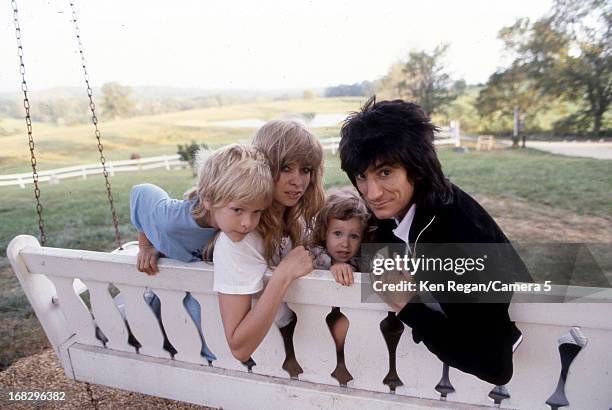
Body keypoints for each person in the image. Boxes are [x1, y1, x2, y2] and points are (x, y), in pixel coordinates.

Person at [338, 97, 531, 385]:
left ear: (416, 168)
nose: (372, 192)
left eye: (385, 172)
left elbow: (494, 366)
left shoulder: (452, 239)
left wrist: (408, 306)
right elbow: (380, 244)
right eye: (361, 176)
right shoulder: (413, 205)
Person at [126, 144, 274, 362]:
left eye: (256, 212)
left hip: (196, 293)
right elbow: (141, 192)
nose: (247, 223)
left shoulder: (232, 225)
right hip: (165, 289)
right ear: (208, 199)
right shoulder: (171, 218)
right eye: (238, 210)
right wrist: (146, 244)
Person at [213, 120, 325, 367]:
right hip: (270, 359)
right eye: (286, 168)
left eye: (306, 169)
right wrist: (283, 275)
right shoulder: (240, 238)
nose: (298, 181)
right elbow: (239, 347)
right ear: (264, 167)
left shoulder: (298, 220)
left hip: (310, 345)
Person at [308, 187, 371, 384]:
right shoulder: (316, 255)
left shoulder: (361, 261)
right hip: (317, 322)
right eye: (337, 233)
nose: (345, 243)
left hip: (356, 322)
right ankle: (338, 364)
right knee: (342, 323)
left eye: (354, 236)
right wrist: (334, 266)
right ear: (324, 233)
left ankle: (350, 364)